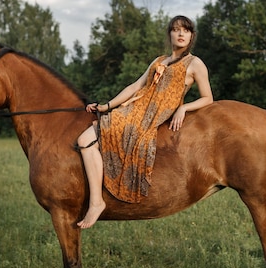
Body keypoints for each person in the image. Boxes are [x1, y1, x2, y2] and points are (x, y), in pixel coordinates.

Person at [76, 15, 213, 229]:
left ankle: (96, 203)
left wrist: (183, 108)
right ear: (170, 34)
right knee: (86, 138)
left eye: (185, 30)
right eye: (176, 29)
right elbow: (135, 86)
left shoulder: (195, 63)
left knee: (86, 138)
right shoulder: (159, 61)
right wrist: (107, 106)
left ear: (191, 36)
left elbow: (208, 98)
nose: (180, 34)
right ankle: (96, 200)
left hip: (153, 115)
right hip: (135, 108)